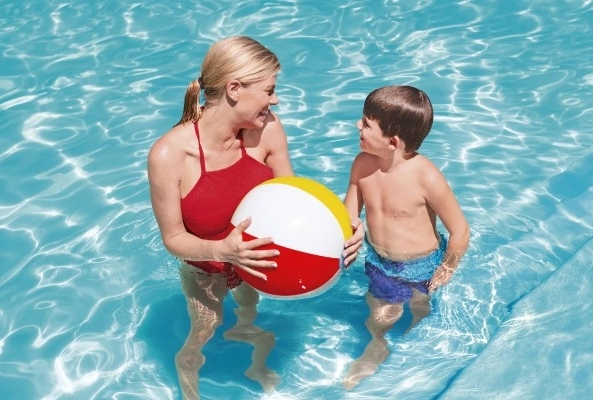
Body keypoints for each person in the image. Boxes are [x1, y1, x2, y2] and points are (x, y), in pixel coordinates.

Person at [147, 36, 363, 400]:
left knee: (248, 310)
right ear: (234, 89)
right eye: (269, 90)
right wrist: (223, 251)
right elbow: (173, 238)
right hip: (206, 268)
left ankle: (253, 356)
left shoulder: (268, 129)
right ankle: (188, 375)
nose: (275, 100)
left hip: (256, 263)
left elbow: (295, 200)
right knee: (205, 331)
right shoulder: (169, 154)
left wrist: (344, 227)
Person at [341, 85, 470, 390]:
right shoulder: (362, 164)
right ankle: (377, 346)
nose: (357, 125)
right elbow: (349, 214)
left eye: (366, 123)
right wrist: (351, 231)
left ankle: (420, 359)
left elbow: (460, 230)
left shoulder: (426, 177)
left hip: (422, 266)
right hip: (379, 262)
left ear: (392, 142)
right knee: (378, 317)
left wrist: (447, 268)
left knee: (420, 313)